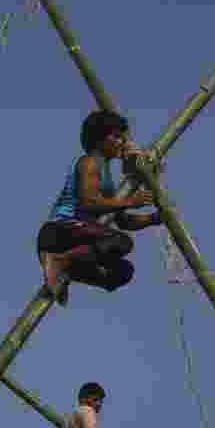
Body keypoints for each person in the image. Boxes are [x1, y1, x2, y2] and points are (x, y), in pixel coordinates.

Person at [37, 110, 163, 305]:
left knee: (123, 271)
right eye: (115, 136)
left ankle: (64, 269)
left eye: (122, 137)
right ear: (99, 139)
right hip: (60, 231)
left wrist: (153, 219)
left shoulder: (107, 179)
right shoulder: (89, 163)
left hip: (80, 238)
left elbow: (122, 220)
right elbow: (89, 202)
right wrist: (131, 201)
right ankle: (60, 261)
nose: (120, 142)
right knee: (121, 242)